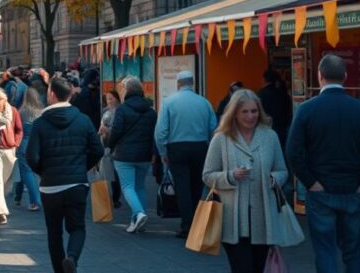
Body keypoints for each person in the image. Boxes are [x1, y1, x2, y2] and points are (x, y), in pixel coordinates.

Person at [287, 54, 360, 273]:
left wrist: (310, 182)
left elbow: (293, 152)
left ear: (319, 76)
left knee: (325, 250)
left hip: (320, 190)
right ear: (345, 76)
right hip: (355, 189)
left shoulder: (306, 109)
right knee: (354, 250)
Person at [203, 90, 291, 273]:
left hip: (264, 218)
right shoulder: (221, 138)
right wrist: (230, 176)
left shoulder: (270, 136)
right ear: (234, 112)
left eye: (254, 111)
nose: (251, 116)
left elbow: (283, 170)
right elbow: (208, 175)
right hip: (233, 219)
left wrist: (275, 178)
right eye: (245, 111)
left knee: (259, 268)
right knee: (242, 268)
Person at [27, 77, 104, 273]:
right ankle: (72, 257)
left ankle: (60, 270)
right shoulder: (83, 120)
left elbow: (32, 157)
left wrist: (44, 171)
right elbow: (98, 150)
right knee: (77, 227)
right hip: (76, 183)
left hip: (50, 186)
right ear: (69, 95)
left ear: (52, 94)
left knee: (54, 233)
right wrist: (82, 167)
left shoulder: (40, 123)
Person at [154, 70, 217, 238]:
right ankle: (198, 222)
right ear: (193, 83)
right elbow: (214, 128)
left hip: (177, 148)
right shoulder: (204, 102)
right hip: (200, 148)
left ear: (178, 84)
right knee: (197, 186)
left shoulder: (169, 102)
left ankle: (187, 225)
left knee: (182, 187)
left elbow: (161, 132)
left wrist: (163, 152)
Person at [108, 77, 157, 234]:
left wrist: (109, 144)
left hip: (124, 155)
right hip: (144, 155)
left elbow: (116, 131)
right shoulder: (151, 111)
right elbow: (153, 134)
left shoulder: (122, 110)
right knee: (140, 187)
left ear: (127, 91)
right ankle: (136, 221)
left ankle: (139, 213)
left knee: (127, 187)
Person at [0, 87, 23, 224]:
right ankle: (1, 212)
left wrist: (16, 142)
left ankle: (0, 202)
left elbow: (19, 129)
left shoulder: (13, 111)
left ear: (6, 99)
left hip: (10, 149)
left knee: (6, 182)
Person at [14, 86, 44, 211]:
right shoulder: (41, 112)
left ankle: (35, 201)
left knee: (26, 171)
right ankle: (18, 197)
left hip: (24, 144)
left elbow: (16, 130)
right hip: (39, 144)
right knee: (26, 171)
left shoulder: (21, 112)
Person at [98, 89, 122, 208]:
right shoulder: (105, 112)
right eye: (107, 98)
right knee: (107, 172)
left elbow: (119, 129)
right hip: (105, 143)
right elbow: (101, 125)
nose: (109, 101)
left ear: (117, 99)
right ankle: (109, 197)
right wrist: (101, 130)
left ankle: (116, 197)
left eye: (111, 98)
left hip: (116, 145)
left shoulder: (121, 111)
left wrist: (108, 130)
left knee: (115, 173)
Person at [258, 69, 293, 147]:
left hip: (265, 130)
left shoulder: (260, 95)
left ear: (264, 79)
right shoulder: (284, 94)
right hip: (282, 130)